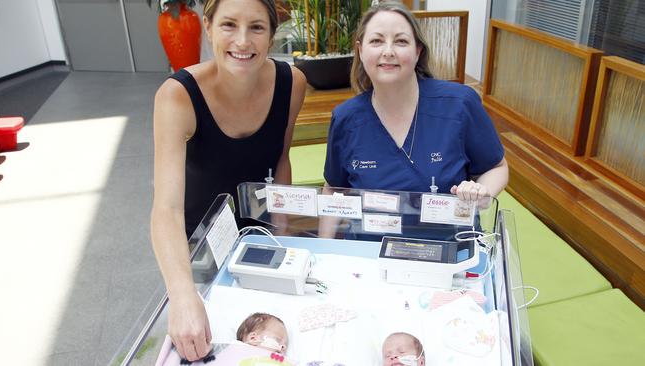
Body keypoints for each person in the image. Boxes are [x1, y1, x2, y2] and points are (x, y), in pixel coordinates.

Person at [150, 0, 306, 361]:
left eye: (256, 27)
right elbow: (166, 208)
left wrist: (283, 235)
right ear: (208, 26)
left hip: (261, 239)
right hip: (199, 251)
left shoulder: (291, 82)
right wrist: (182, 292)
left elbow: (281, 159)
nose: (242, 41)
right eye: (228, 25)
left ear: (271, 34)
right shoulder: (177, 95)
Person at [324, 1, 508, 203]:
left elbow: (497, 167)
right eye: (376, 41)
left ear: (418, 51)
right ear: (360, 50)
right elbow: (334, 189)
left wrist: (481, 192)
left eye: (401, 41)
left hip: (449, 234)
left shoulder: (460, 103)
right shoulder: (346, 118)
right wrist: (325, 236)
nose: (388, 51)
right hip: (370, 234)